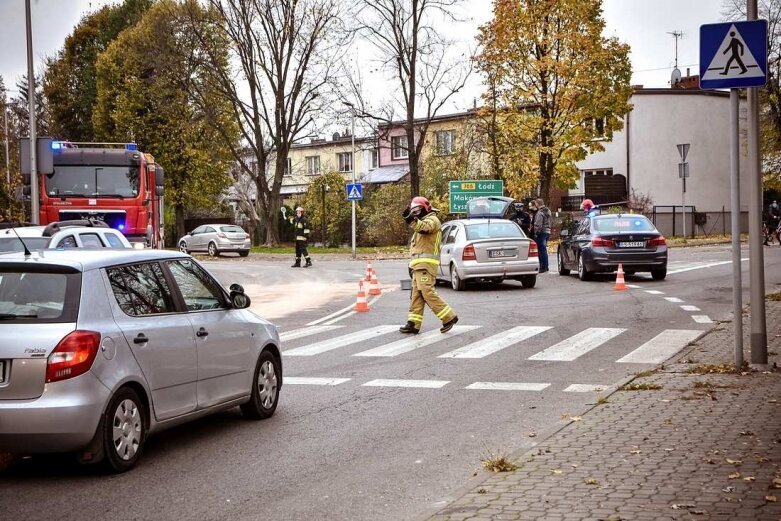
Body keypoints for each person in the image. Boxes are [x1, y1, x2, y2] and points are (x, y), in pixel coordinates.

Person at [399, 196, 458, 335]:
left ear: (425, 209)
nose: (415, 213)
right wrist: (411, 265)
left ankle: (449, 317)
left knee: (426, 291)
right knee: (416, 294)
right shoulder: (422, 222)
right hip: (418, 266)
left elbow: (423, 228)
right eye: (413, 211)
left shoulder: (432, 220)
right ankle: (413, 323)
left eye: (417, 210)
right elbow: (418, 248)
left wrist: (410, 219)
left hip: (426, 266)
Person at [533, 198, 551, 273]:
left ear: (537, 204)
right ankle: (546, 266)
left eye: (536, 204)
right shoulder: (548, 211)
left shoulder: (540, 213)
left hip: (541, 233)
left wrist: (536, 233)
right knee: (544, 250)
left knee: (541, 250)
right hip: (547, 231)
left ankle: (543, 267)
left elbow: (538, 224)